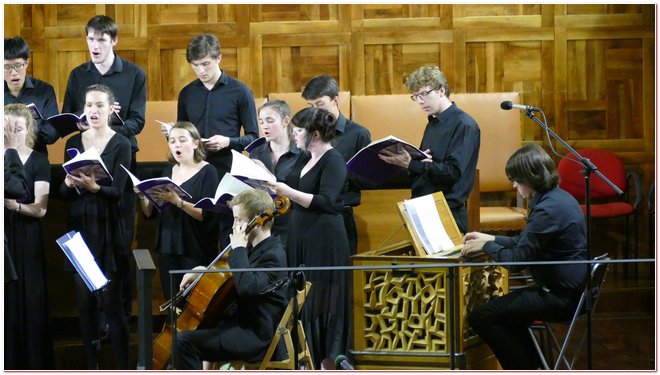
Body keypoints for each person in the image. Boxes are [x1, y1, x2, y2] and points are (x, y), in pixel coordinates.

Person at [461, 143, 588, 370]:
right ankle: (533, 367)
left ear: (531, 178)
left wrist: (485, 248)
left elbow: (517, 262)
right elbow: (526, 242)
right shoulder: (559, 199)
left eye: (516, 180)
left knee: (482, 317)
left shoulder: (547, 210)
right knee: (508, 315)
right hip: (570, 291)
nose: (513, 185)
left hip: (560, 297)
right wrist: (489, 239)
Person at [62, 14, 147, 321]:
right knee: (87, 243)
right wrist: (87, 127)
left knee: (121, 243)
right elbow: (69, 118)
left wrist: (108, 130)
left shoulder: (134, 74)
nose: (94, 46)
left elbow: (138, 121)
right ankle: (94, 322)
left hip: (119, 161)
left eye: (101, 39)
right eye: (90, 39)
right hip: (85, 162)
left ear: (114, 41)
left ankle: (120, 319)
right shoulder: (77, 74)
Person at [267, 107, 350, 368]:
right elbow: (290, 187)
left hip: (324, 238)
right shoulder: (305, 157)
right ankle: (303, 355)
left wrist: (287, 191)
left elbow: (326, 200)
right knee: (302, 297)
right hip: (300, 234)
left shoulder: (333, 159)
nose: (294, 133)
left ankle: (325, 358)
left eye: (299, 130)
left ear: (314, 134)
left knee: (321, 298)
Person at [174, 189, 289, 369]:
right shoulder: (254, 250)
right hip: (238, 325)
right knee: (188, 333)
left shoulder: (272, 255)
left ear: (256, 222)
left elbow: (246, 286)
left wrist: (238, 249)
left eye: (238, 219)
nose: (234, 226)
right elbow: (231, 276)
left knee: (184, 342)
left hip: (255, 335)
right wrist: (202, 272)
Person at [59, 84, 131, 370]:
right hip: (81, 229)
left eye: (100, 105)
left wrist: (94, 187)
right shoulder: (73, 143)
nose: (93, 110)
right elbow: (63, 196)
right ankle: (91, 366)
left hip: (110, 228)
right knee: (85, 304)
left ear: (111, 109)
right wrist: (66, 184)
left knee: (112, 304)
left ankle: (124, 365)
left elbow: (119, 192)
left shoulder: (121, 143)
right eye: (89, 105)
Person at [176, 33, 259, 249]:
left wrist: (228, 141)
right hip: (196, 172)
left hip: (226, 171)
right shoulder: (187, 93)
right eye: (195, 65)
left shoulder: (240, 92)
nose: (201, 71)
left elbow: (253, 137)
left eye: (206, 64)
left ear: (219, 58)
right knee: (197, 234)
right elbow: (182, 132)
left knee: (225, 233)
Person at [379, 65, 480, 233]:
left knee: (441, 261)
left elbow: (453, 172)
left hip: (447, 212)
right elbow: (428, 165)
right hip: (423, 208)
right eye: (415, 96)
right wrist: (408, 161)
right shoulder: (433, 123)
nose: (420, 101)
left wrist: (412, 164)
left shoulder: (465, 125)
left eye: (424, 94)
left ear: (441, 91)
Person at [137, 121, 220, 300]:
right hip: (168, 244)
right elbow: (148, 213)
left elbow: (207, 215)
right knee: (172, 300)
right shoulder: (168, 170)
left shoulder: (208, 172)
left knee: (194, 301)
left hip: (195, 246)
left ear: (195, 143)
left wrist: (178, 202)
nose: (177, 145)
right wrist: (144, 196)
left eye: (182, 140)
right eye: (172, 141)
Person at [3, 103, 55, 369]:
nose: (11, 133)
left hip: (27, 235)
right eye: (7, 127)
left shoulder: (38, 160)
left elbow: (41, 208)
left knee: (30, 300)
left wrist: (17, 206)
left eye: (17, 128)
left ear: (28, 130)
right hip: (5, 236)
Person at [302, 75, 372, 256]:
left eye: (319, 104)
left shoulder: (358, 133)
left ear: (335, 100)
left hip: (341, 214)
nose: (314, 112)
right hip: (310, 215)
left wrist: (336, 173)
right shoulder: (306, 134)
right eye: (310, 106)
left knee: (342, 277)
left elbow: (368, 180)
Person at [249, 99, 300, 247]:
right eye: (261, 121)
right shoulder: (256, 153)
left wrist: (267, 175)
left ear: (285, 121)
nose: (264, 126)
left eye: (270, 121)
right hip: (264, 226)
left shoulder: (302, 153)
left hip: (293, 226)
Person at [4, 36, 60, 155]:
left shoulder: (45, 91)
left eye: (18, 65)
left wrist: (30, 121)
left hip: (35, 161)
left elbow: (52, 136)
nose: (14, 73)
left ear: (27, 63)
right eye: (7, 67)